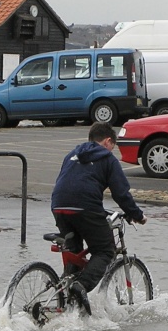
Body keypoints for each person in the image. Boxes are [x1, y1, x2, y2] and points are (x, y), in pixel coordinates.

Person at [50, 122, 146, 314]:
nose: (112, 150)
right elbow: (121, 193)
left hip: (58, 206)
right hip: (85, 207)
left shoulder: (71, 155)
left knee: (75, 253)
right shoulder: (107, 159)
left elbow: (68, 184)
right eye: (113, 146)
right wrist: (137, 215)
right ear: (108, 141)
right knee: (105, 250)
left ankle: (67, 302)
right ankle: (82, 286)